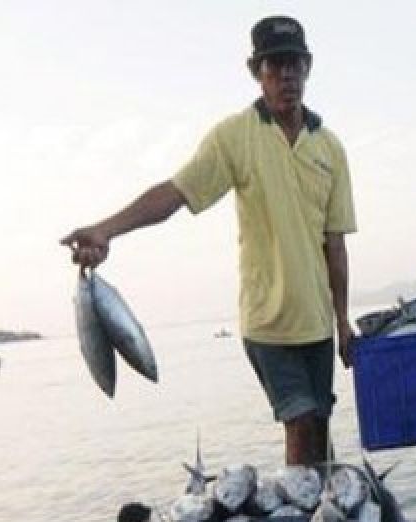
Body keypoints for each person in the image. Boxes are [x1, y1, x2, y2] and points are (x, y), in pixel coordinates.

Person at [61, 16, 356, 466]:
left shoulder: (330, 148)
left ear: (308, 66)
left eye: (293, 64)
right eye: (273, 67)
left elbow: (334, 245)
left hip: (316, 324)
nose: (285, 77)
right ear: (255, 72)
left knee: (317, 427)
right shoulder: (233, 137)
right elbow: (175, 194)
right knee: (299, 424)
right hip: (268, 324)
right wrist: (106, 229)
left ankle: (322, 518)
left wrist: (343, 321)